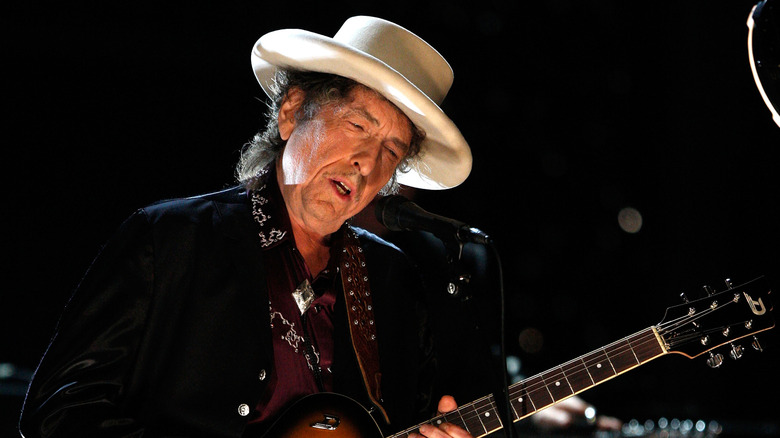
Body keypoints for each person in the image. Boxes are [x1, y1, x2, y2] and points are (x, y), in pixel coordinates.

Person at [19, 16, 475, 438]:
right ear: (292, 112)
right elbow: (59, 411)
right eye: (358, 124)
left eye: (392, 152)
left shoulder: (394, 282)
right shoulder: (171, 239)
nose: (368, 162)